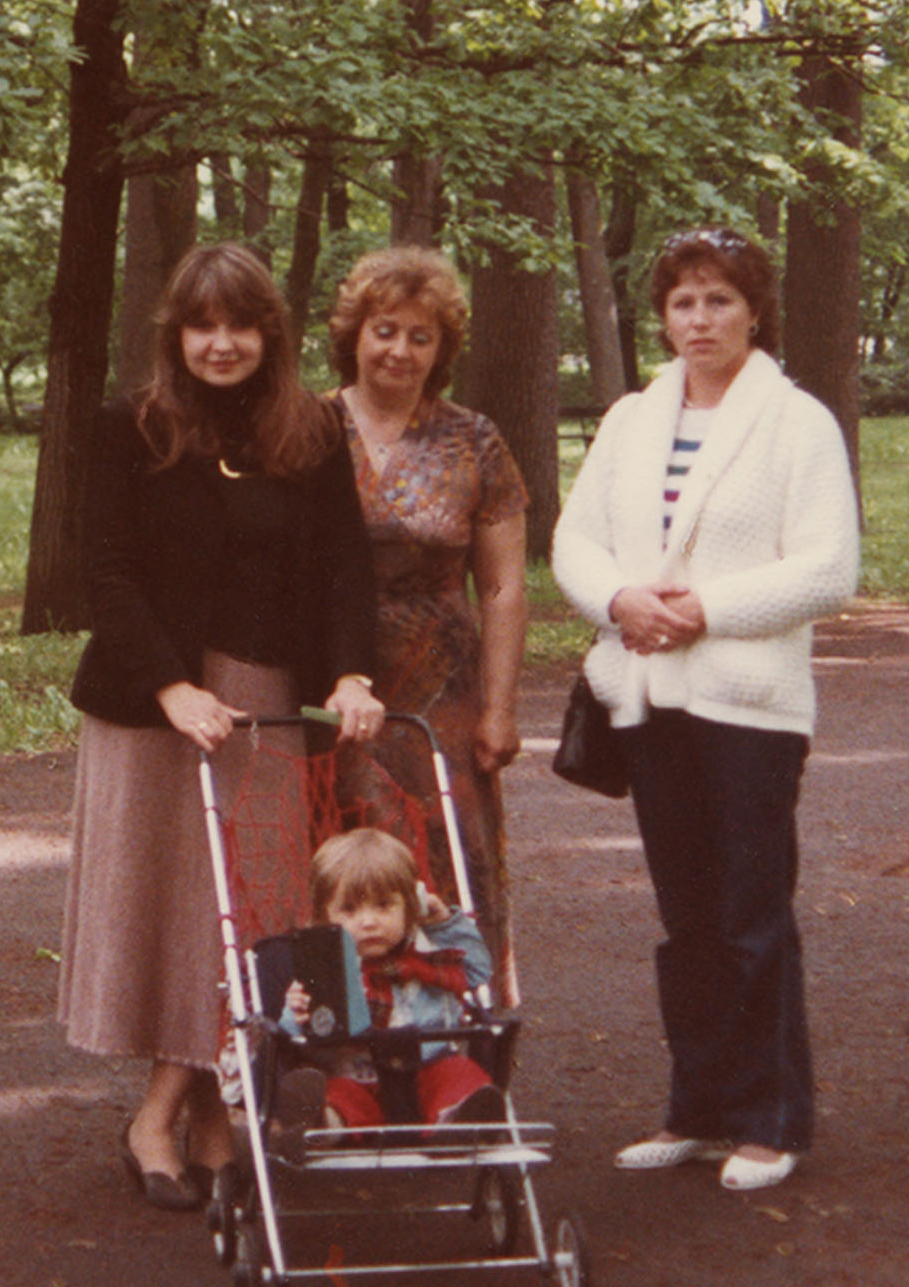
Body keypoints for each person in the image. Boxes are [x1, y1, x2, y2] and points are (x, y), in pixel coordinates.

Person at [59, 243, 387, 1210]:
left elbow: (344, 568)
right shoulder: (131, 424)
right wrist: (170, 687)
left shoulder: (311, 430)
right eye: (203, 326)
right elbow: (106, 571)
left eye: (241, 325)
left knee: (248, 914)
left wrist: (351, 673)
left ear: (269, 335)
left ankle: (165, 1117)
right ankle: (196, 1125)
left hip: (266, 702)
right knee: (174, 915)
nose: (222, 343)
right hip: (156, 703)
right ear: (177, 335)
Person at [551, 227, 859, 1194]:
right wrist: (620, 601)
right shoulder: (630, 421)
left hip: (750, 705)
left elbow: (829, 568)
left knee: (749, 911)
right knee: (685, 918)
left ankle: (771, 1120)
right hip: (649, 698)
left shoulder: (798, 422)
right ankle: (698, 1109)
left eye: (720, 299)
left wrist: (705, 611)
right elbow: (574, 541)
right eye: (683, 301)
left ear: (754, 311)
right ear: (662, 317)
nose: (700, 319)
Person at [322, 246, 528, 980]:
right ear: (355, 334)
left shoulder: (474, 440)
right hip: (331, 682)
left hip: (445, 692)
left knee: (453, 855)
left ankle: (465, 1019)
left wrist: (499, 708)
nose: (399, 350)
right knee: (337, 855)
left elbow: (502, 588)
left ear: (442, 348)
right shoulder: (308, 428)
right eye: (385, 330)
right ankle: (340, 1024)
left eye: (420, 336)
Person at [275, 828, 503, 1131]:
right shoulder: (324, 971)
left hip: (428, 1070)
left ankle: (456, 1118)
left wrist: (442, 924)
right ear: (325, 917)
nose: (369, 922)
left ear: (410, 905)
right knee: (340, 1093)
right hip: (359, 1078)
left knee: (460, 1073)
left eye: (383, 906)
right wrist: (297, 1014)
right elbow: (294, 1038)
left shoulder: (428, 950)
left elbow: (478, 971)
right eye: (349, 910)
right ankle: (325, 1122)